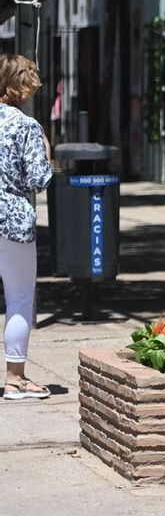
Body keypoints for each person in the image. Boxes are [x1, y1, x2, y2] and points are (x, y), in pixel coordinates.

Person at [0, 54, 56, 400]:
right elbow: (39, 179)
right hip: (12, 222)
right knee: (19, 299)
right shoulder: (26, 126)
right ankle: (15, 379)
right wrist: (47, 151)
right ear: (22, 86)